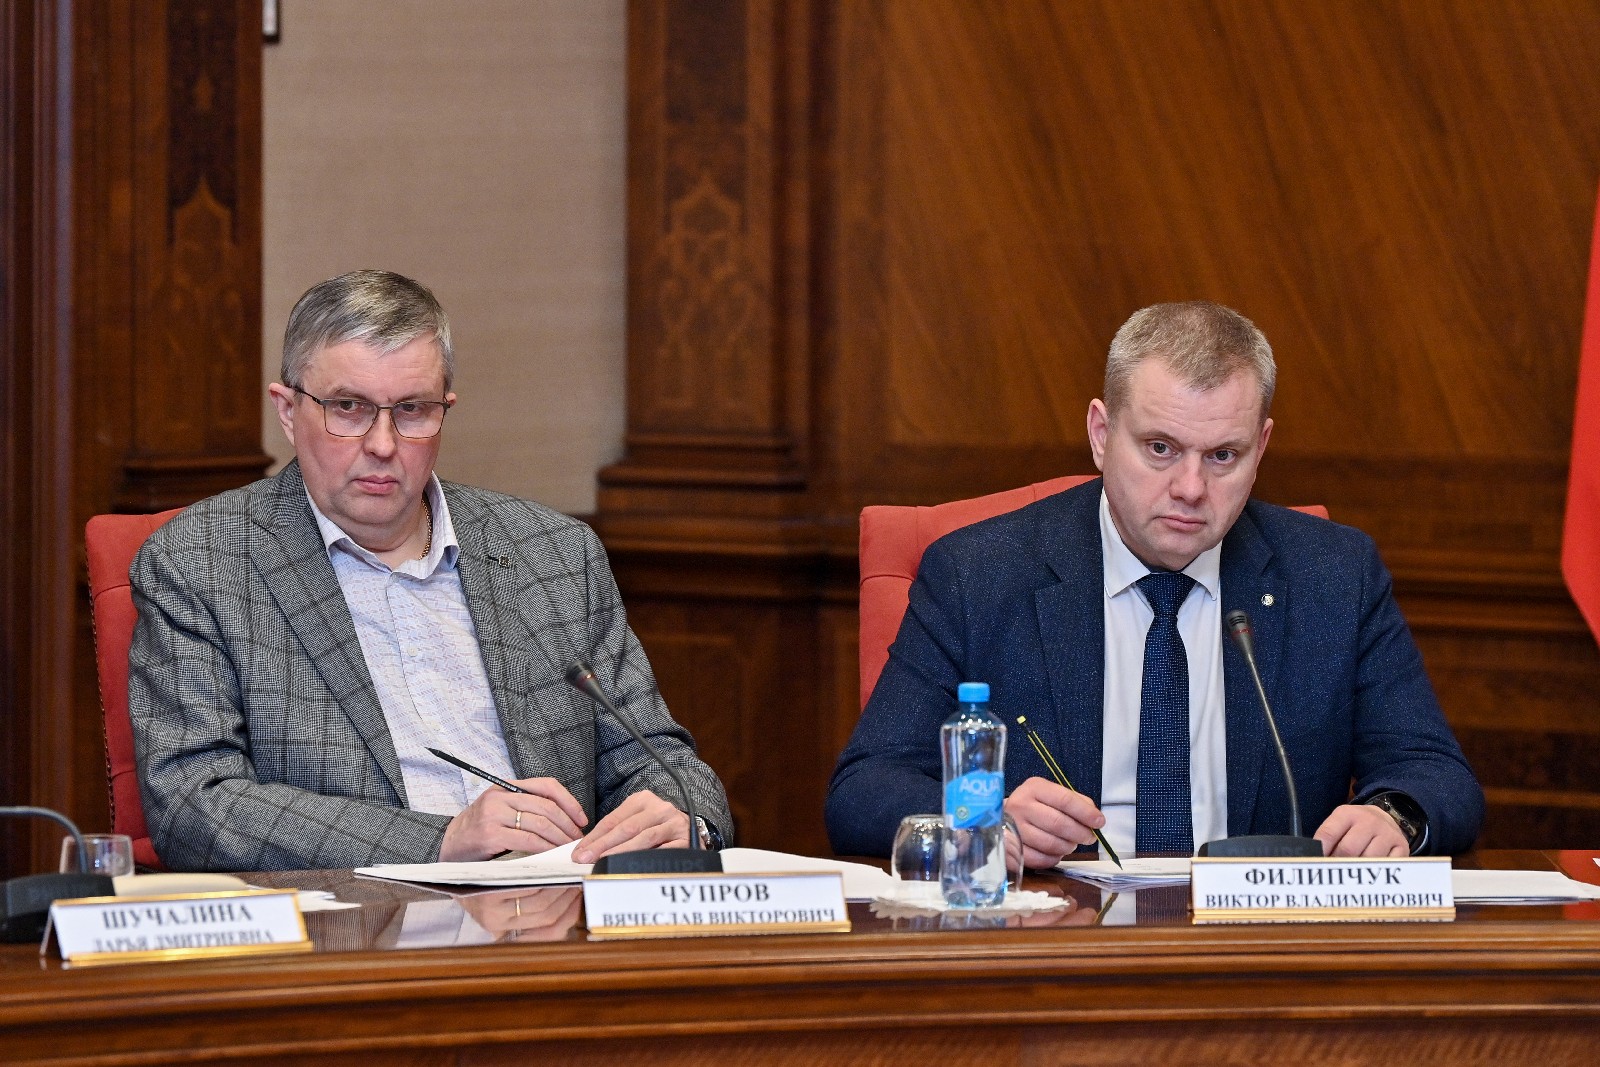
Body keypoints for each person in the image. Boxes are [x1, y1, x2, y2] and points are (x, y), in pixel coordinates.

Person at [827, 301, 1483, 865]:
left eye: (1222, 455)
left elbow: (1436, 775)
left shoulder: (1333, 575)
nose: (1191, 488)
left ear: (1261, 448)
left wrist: (1393, 817)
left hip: (1255, 942)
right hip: (1054, 942)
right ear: (1101, 434)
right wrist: (981, 821)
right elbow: (864, 787)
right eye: (1160, 448)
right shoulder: (979, 573)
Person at [130, 270, 731, 871]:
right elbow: (194, 804)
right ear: (288, 411)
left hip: (557, 903)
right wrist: (440, 842)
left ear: (444, 411)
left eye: (412, 410)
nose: (382, 444)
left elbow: (657, 757)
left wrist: (685, 816)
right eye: (348, 408)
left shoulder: (553, 553)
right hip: (361, 917)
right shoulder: (203, 561)